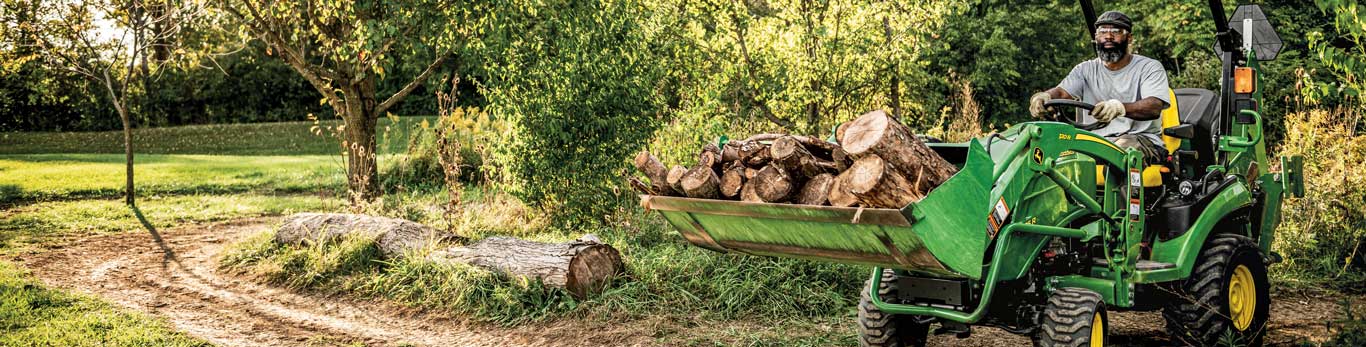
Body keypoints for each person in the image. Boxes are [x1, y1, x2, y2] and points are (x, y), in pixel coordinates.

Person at [1029, 10, 1171, 163]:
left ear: (1129, 38)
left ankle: (1126, 188)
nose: (1108, 36)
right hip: (1093, 142)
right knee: (1043, 154)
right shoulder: (1085, 70)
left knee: (1119, 155)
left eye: (1116, 31)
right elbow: (1061, 93)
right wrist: (1045, 97)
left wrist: (1119, 108)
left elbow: (1154, 107)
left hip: (1140, 141)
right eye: (1103, 32)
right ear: (1096, 38)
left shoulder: (1149, 67)